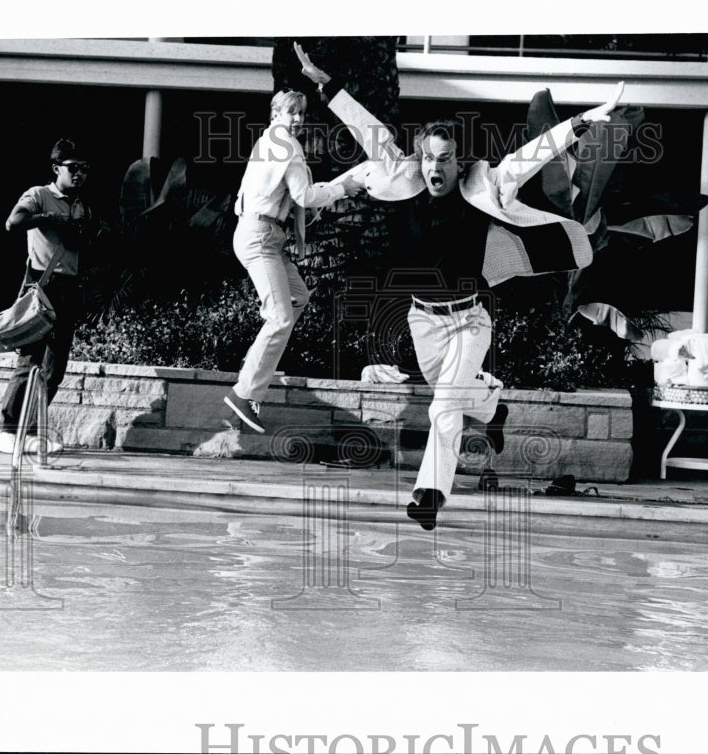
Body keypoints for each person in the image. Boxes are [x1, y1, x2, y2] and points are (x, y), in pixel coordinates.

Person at [295, 43, 624, 530]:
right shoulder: (402, 181)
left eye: (444, 159)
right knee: (460, 397)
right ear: (419, 158)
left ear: (457, 161)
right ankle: (492, 405)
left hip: (470, 321)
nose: (435, 168)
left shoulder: (481, 188)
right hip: (422, 321)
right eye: (428, 158)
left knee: (443, 407)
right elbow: (369, 130)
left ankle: (429, 494)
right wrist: (328, 87)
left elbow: (530, 157)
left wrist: (581, 122)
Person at [224, 89, 363, 432]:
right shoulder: (288, 145)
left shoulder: (268, 140)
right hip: (260, 237)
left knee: (297, 296)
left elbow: (292, 196)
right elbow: (304, 194)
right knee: (280, 318)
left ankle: (254, 364)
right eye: (291, 112)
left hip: (262, 235)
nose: (298, 119)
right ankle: (244, 394)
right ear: (275, 113)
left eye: (301, 113)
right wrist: (342, 190)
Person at [0, 138, 93, 455]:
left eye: (84, 169)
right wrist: (49, 219)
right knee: (30, 358)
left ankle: (32, 430)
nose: (79, 174)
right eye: (73, 168)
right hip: (42, 284)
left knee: (55, 367)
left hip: (70, 287)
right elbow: (14, 222)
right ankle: (7, 429)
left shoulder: (81, 205)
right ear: (56, 169)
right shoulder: (39, 195)